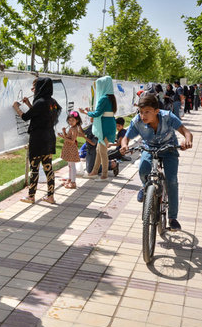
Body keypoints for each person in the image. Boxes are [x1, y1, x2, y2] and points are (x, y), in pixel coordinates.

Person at [120, 94, 193, 231]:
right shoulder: (137, 121)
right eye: (141, 112)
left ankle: (172, 218)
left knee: (171, 181)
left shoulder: (168, 117)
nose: (143, 115)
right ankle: (144, 187)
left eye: (147, 112)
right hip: (150, 148)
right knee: (143, 169)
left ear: (156, 111)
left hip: (169, 148)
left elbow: (186, 132)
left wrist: (187, 141)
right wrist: (124, 146)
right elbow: (125, 138)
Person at [13, 77, 60, 204]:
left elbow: (26, 117)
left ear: (41, 87)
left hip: (38, 139)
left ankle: (31, 196)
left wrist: (16, 107)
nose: (33, 89)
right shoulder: (52, 102)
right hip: (49, 137)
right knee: (48, 167)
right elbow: (42, 114)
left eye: (35, 86)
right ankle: (50, 196)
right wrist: (29, 104)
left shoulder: (40, 102)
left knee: (34, 168)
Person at [80, 75, 117, 181]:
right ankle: (94, 171)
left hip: (104, 126)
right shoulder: (111, 97)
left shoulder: (103, 98)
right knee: (99, 149)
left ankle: (104, 174)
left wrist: (86, 112)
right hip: (109, 124)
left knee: (102, 151)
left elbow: (96, 114)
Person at [58, 110, 83, 189]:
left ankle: (73, 182)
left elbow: (72, 141)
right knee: (70, 165)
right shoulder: (72, 128)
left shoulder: (74, 129)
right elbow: (69, 138)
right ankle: (70, 179)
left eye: (72, 120)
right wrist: (64, 133)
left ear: (77, 120)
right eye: (69, 120)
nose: (70, 122)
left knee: (72, 165)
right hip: (68, 147)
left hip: (71, 148)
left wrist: (63, 137)